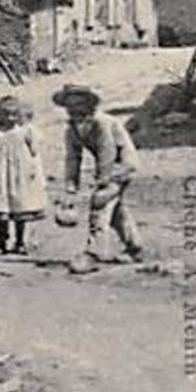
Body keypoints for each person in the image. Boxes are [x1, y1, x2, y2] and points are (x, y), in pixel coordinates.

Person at [54, 83, 144, 264]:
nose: (74, 109)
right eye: (69, 105)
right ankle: (134, 246)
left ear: (89, 104)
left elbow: (107, 151)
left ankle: (94, 253)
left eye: (79, 104)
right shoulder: (72, 129)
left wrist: (103, 179)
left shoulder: (101, 122)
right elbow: (73, 158)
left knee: (100, 202)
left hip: (123, 165)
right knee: (115, 210)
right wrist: (71, 187)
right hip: (108, 167)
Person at [0, 95, 48, 254]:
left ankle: (20, 241)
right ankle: (2, 242)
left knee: (20, 207)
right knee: (2, 207)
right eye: (6, 114)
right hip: (1, 175)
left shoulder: (25, 131)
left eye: (14, 114)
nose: (10, 118)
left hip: (21, 175)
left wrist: (31, 167)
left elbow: (35, 149)